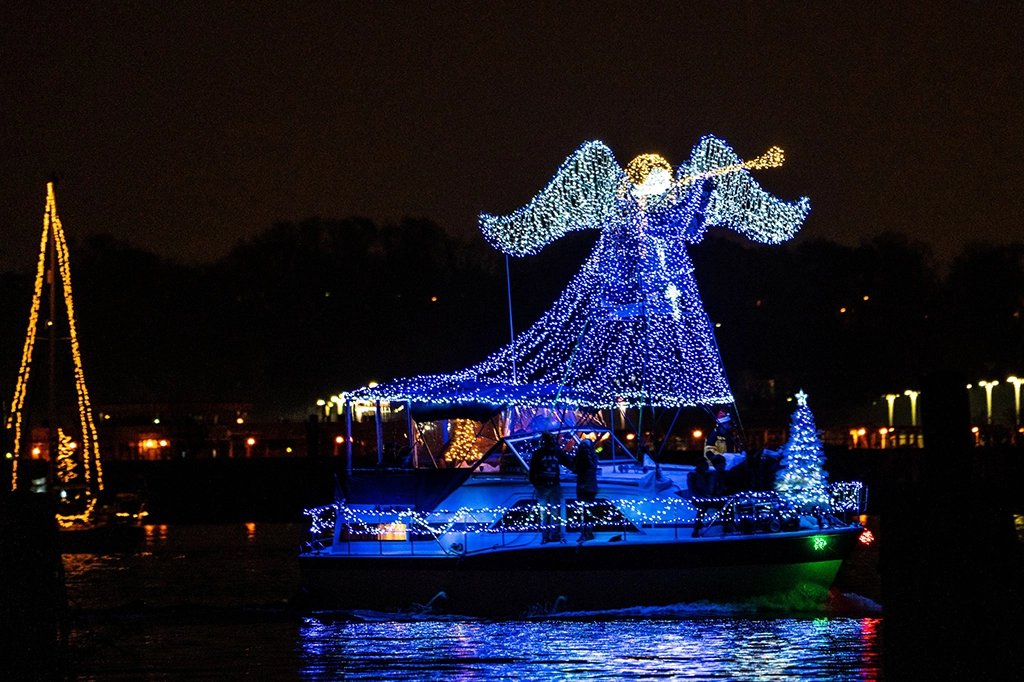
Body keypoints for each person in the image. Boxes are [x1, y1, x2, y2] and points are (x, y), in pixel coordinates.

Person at [529, 432, 572, 543]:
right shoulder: (540, 453)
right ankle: (546, 536)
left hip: (553, 486)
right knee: (547, 512)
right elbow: (533, 470)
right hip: (544, 487)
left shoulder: (555, 452)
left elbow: (569, 463)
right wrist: (536, 483)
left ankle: (552, 535)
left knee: (553, 512)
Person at [573, 439, 600, 542]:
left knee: (588, 511)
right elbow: (574, 468)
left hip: (590, 487)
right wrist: (579, 455)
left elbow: (593, 467)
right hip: (581, 487)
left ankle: (589, 532)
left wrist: (587, 456)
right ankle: (583, 532)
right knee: (582, 512)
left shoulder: (593, 456)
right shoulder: (579, 456)